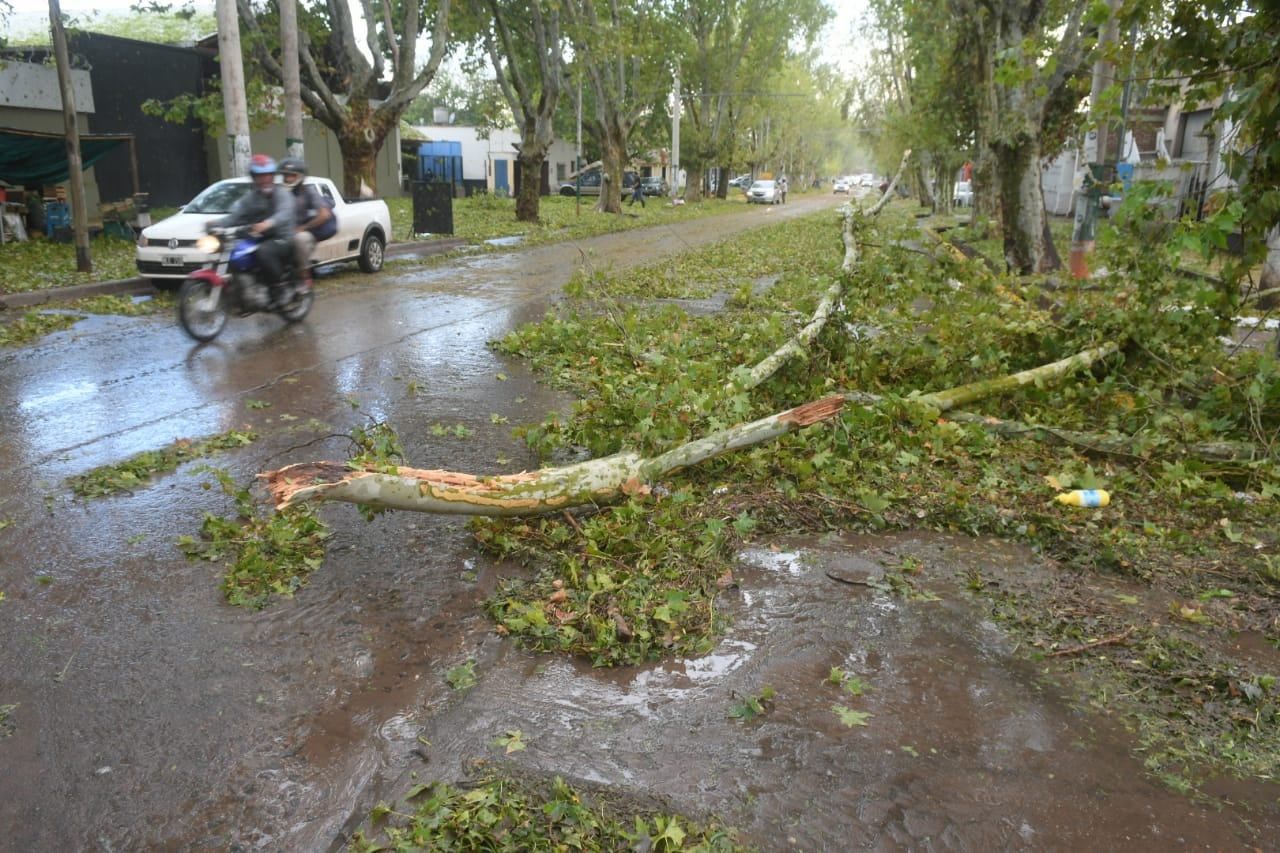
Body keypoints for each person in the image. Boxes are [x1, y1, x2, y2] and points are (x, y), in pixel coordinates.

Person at [214, 153, 295, 305]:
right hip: (260, 237)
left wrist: (268, 223)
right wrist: (215, 224)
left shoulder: (282, 193)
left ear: (273, 176)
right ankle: (242, 290)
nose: (264, 179)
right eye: (260, 176)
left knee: (264, 251)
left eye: (268, 175)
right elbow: (236, 217)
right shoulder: (251, 198)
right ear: (254, 177)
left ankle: (280, 288)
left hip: (283, 237)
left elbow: (284, 213)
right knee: (236, 252)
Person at [278, 157, 333, 289]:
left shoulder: (308, 192)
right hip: (281, 232)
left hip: (302, 233)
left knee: (299, 239)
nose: (288, 179)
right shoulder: (278, 192)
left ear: (301, 176)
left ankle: (304, 275)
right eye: (286, 175)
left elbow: (324, 214)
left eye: (292, 175)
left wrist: (304, 227)